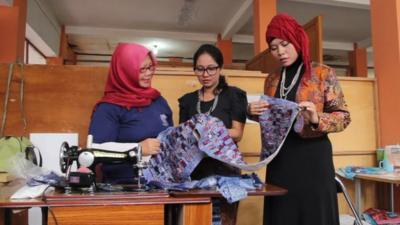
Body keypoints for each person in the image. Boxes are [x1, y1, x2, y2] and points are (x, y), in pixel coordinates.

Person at [247, 14, 351, 225]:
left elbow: (343, 117)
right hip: (280, 160)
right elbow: (273, 119)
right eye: (274, 47)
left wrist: (316, 118)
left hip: (313, 159)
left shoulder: (322, 73)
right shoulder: (272, 78)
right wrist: (252, 112)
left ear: (297, 39)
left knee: (314, 215)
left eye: (285, 44)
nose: (280, 52)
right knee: (282, 214)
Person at [178, 44, 247, 225]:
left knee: (224, 221)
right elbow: (183, 136)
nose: (205, 74)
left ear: (220, 68)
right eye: (200, 69)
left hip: (226, 170)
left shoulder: (234, 95)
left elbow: (237, 133)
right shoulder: (187, 100)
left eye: (211, 68)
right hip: (195, 171)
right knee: (196, 220)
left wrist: (204, 132)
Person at [88, 43, 173, 184]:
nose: (149, 73)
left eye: (151, 67)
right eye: (142, 69)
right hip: (122, 188)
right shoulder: (109, 107)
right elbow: (95, 152)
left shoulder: (158, 100)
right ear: (125, 71)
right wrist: (137, 149)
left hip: (161, 184)